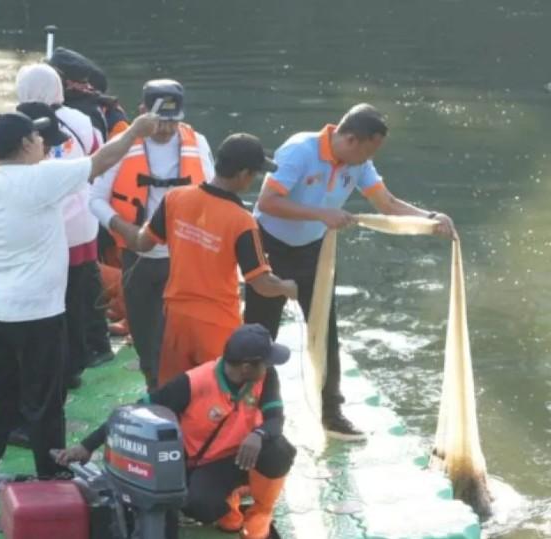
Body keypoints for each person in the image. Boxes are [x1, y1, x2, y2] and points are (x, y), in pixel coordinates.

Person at [0, 108, 161, 496]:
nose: (42, 144)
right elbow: (102, 159)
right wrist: (136, 129)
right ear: (27, 144)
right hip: (37, 312)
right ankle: (51, 474)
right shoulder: (41, 177)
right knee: (45, 397)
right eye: (37, 139)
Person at [244, 103, 456, 441]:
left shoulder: (360, 163)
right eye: (370, 149)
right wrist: (320, 214)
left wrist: (428, 218)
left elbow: (386, 203)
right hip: (270, 247)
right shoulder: (300, 150)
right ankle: (249, 410)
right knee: (258, 335)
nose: (371, 158)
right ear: (352, 140)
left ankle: (332, 414)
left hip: (315, 251)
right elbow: (267, 202)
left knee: (326, 332)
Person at [57, 324, 296, 539]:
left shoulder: (266, 376)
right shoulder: (193, 383)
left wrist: (259, 435)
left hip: (248, 451)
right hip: (208, 464)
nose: (270, 366)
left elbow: (275, 419)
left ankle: (260, 514)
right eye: (266, 361)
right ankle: (230, 507)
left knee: (279, 450)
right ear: (246, 366)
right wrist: (87, 445)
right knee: (199, 503)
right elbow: (133, 412)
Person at [115, 134, 298, 387]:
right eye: (254, 173)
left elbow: (141, 243)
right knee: (218, 394)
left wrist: (112, 220)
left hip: (176, 319)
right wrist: (288, 287)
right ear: (243, 174)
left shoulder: (175, 198)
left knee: (175, 392)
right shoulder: (242, 221)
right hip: (217, 325)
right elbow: (261, 283)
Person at [90, 79, 214, 390]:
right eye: (159, 121)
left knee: (181, 340)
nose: (166, 129)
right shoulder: (121, 145)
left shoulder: (197, 143)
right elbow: (94, 199)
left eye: (173, 121)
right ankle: (154, 391)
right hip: (139, 258)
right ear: (143, 112)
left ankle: (183, 399)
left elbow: (214, 196)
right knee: (147, 342)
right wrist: (124, 230)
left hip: (185, 260)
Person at [17, 64, 113, 385]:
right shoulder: (82, 121)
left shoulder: (18, 124)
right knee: (81, 289)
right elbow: (99, 161)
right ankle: (86, 354)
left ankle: (58, 366)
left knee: (52, 298)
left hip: (46, 224)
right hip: (83, 220)